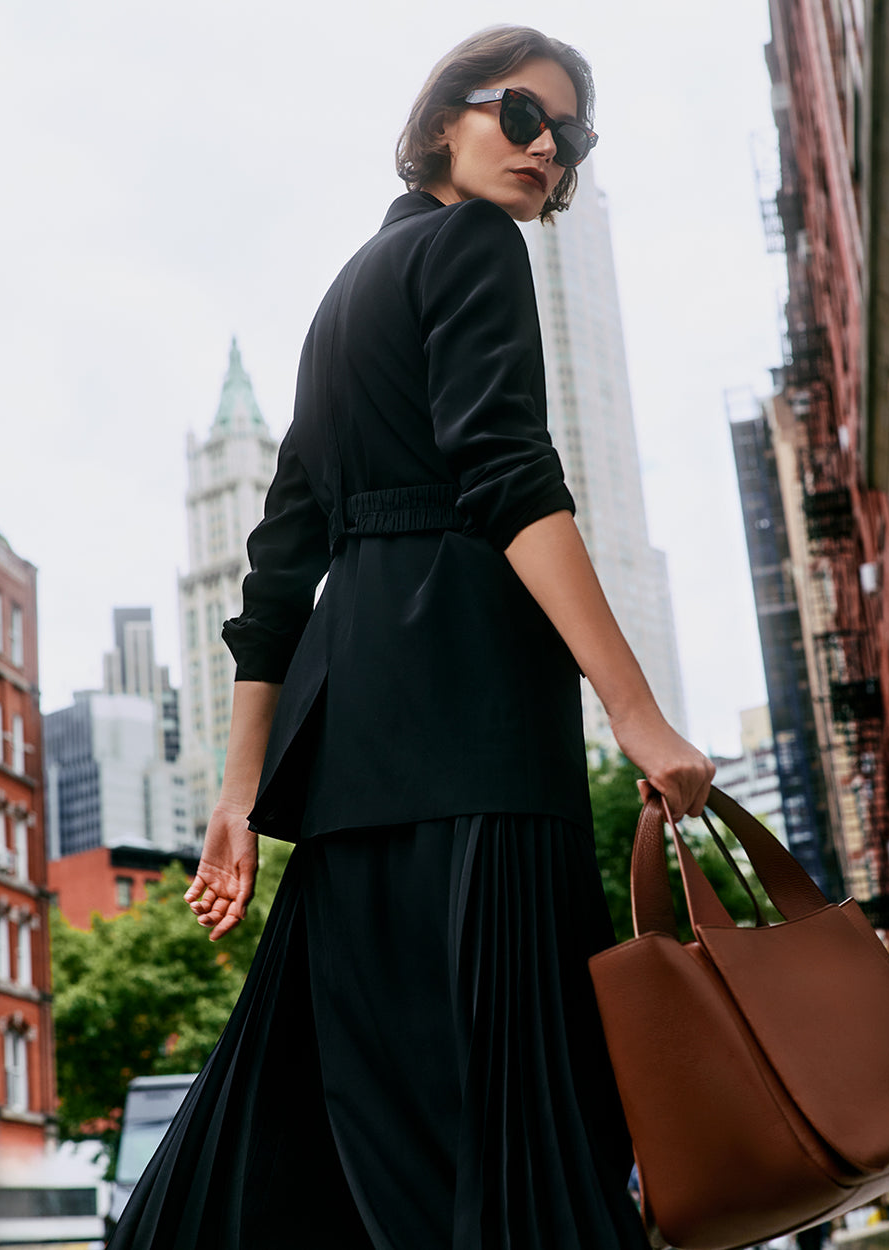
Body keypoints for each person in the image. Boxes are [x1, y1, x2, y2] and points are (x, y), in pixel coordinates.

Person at [108, 24, 714, 1250]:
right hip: (477, 725)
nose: (547, 152)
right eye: (521, 116)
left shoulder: (344, 297)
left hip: (346, 771)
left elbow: (280, 561)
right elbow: (507, 472)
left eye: (570, 137)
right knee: (517, 1125)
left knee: (342, 1131)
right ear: (445, 117)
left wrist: (238, 795)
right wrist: (636, 712)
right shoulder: (475, 244)